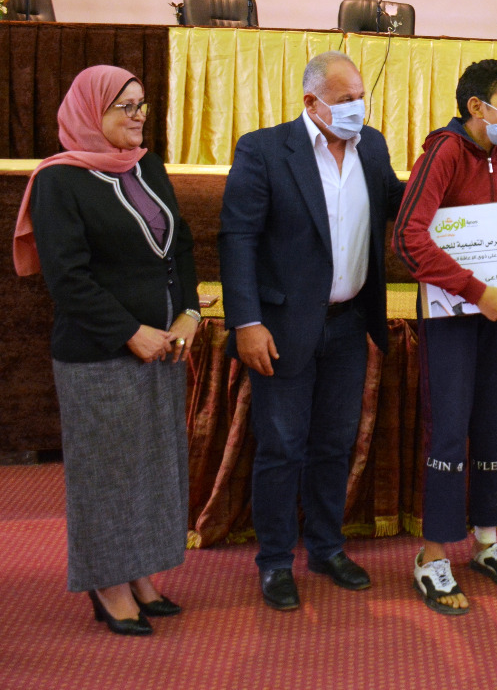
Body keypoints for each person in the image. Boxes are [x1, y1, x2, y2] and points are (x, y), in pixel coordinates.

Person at [14, 65, 197, 636]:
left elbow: (181, 246)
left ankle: (138, 572)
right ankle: (108, 584)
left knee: (151, 468)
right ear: (92, 111)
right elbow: (67, 280)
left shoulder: (147, 165)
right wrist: (130, 331)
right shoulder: (58, 181)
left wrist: (190, 313)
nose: (139, 116)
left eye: (143, 104)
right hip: (100, 355)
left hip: (163, 347)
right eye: (126, 106)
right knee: (107, 476)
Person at [219, 51, 404, 611]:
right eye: (345, 100)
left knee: (334, 444)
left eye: (361, 98)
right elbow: (238, 238)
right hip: (281, 329)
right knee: (281, 447)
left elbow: (402, 209)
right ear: (311, 102)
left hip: (349, 325)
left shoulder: (372, 146)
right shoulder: (263, 150)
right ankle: (276, 561)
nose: (357, 109)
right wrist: (246, 321)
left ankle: (326, 548)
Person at [391, 59, 497, 616]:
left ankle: (487, 542)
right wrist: (475, 290)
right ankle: (432, 556)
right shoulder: (444, 153)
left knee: (492, 423)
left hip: (496, 317)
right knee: (449, 429)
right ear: (478, 106)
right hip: (451, 314)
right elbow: (409, 238)